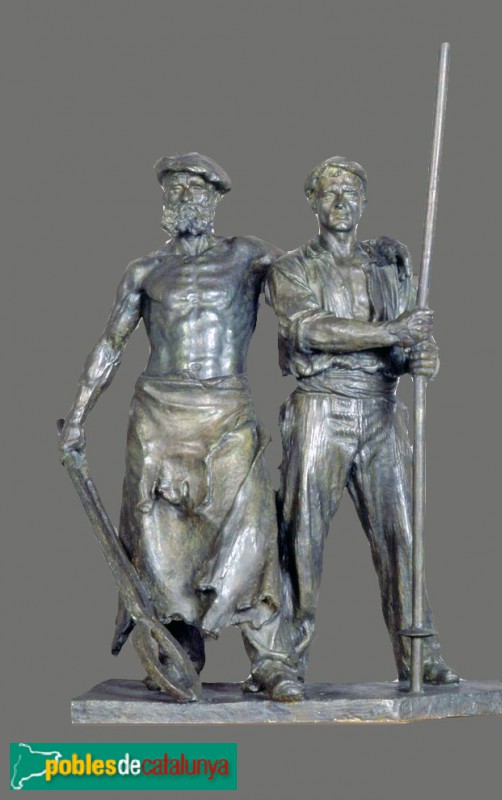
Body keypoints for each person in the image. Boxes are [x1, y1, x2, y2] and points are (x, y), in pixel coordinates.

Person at [59, 153, 301, 701]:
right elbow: (110, 345)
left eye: (194, 190)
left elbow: (310, 274)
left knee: (254, 522)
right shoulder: (145, 270)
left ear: (215, 198)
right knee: (160, 540)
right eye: (174, 190)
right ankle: (179, 650)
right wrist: (77, 416)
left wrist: (371, 256)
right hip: (159, 414)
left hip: (226, 409)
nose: (183, 199)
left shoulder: (247, 256)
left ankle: (270, 658)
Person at [267, 156, 459, 685]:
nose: (341, 202)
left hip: (381, 409)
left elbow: (406, 347)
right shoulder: (290, 268)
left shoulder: (387, 268)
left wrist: (421, 357)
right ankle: (284, 659)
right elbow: (310, 330)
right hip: (321, 407)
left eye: (351, 192)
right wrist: (392, 333)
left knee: (403, 534)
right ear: (313, 201)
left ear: (365, 202)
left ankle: (421, 653)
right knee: (301, 538)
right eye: (330, 192)